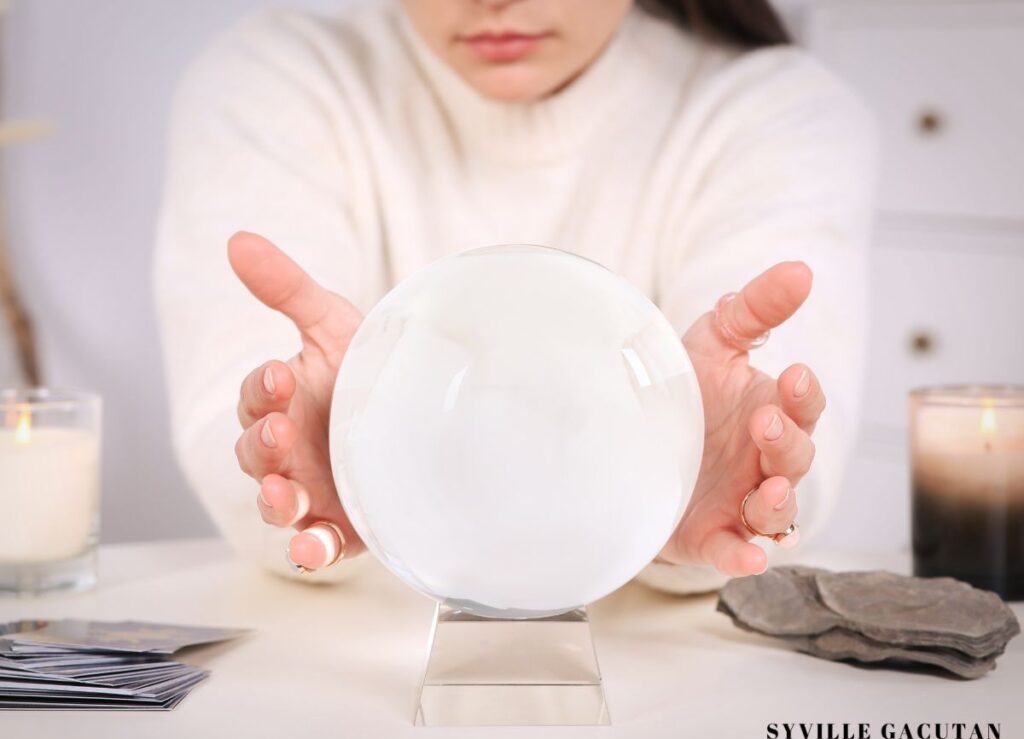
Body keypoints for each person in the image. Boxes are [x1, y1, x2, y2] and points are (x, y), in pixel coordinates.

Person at [154, 0, 874, 594]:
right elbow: (235, 442)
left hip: (670, 684)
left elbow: (781, 477)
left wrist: (706, 487)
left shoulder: (778, 109)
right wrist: (293, 458)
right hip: (345, 672)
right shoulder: (276, 79)